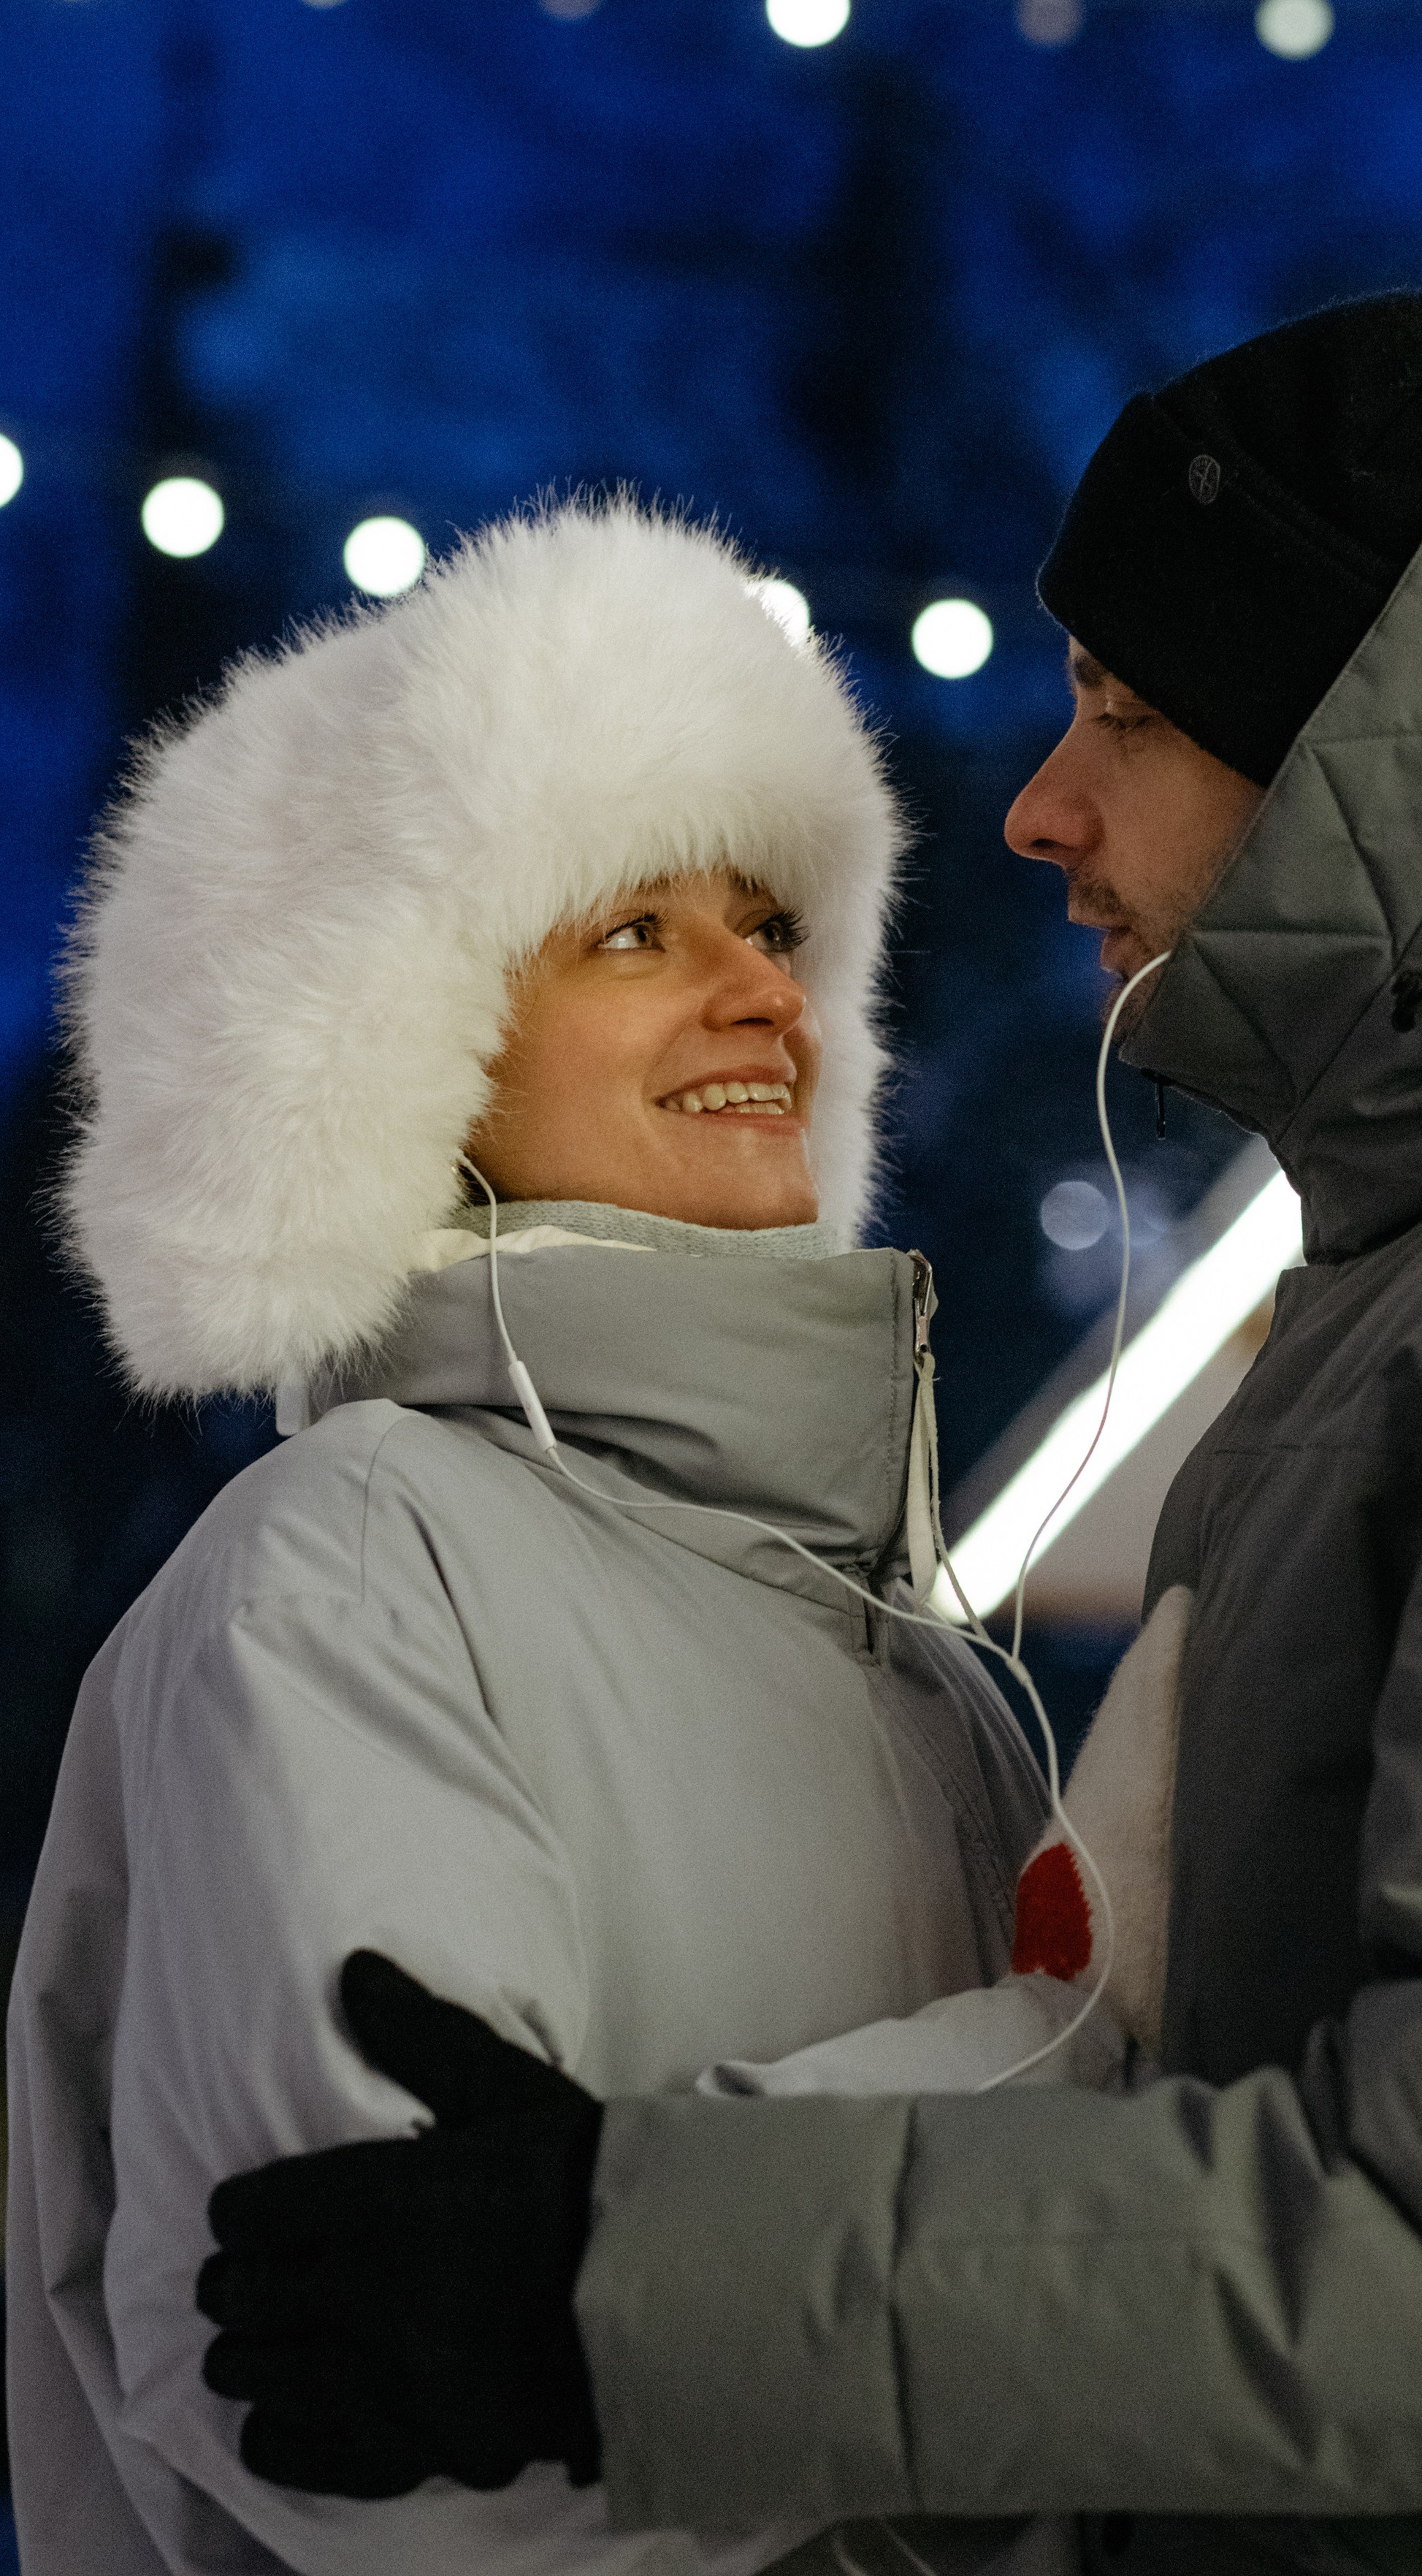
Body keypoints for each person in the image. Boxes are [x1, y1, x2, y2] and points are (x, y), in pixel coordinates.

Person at [191, 288, 1422, 2570]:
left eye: (1135, 714)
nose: (1034, 806)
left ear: (1402, 747)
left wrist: (631, 2280)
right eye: (627, 931)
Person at [1, 495, 1069, 2575]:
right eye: (630, 932)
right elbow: (379, 2418)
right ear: (397, 1061)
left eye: (770, 922)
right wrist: (1086, 2101)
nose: (762, 991)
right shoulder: (347, 1576)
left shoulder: (905, 1649)